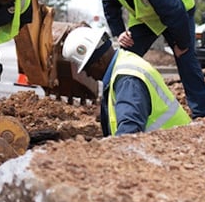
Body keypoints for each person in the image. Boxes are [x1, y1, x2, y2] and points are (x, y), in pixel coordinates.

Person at [95, 0, 205, 119]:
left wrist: (181, 44)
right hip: (147, 17)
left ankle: (201, 113)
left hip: (178, 12)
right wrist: (119, 32)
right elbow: (110, 6)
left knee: (186, 59)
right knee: (125, 57)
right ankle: (111, 109)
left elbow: (174, 14)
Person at [61, 26, 191, 136]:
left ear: (99, 62)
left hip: (173, 150)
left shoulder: (127, 80)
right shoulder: (124, 61)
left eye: (86, 69)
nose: (87, 75)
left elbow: (129, 131)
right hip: (171, 145)